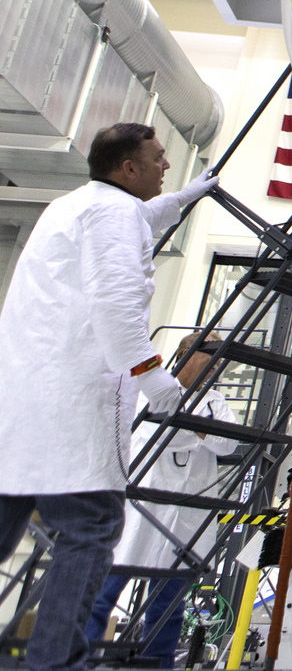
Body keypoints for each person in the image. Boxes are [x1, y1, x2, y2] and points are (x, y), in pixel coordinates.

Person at [0, 122, 216, 671]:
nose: (168, 166)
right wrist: (154, 378)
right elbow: (118, 306)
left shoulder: (78, 205)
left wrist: (186, 199)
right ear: (129, 168)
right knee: (91, 527)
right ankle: (52, 663)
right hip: (74, 408)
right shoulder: (114, 215)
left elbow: (142, 218)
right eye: (161, 158)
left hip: (25, 408)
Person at [88, 333, 236, 666]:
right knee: (105, 590)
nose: (216, 364)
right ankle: (82, 658)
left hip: (184, 515)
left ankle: (158, 663)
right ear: (185, 353)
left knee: (169, 603)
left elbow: (229, 443)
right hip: (143, 506)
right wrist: (203, 432)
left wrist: (195, 429)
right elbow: (161, 434)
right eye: (208, 353)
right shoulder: (152, 387)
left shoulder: (216, 401)